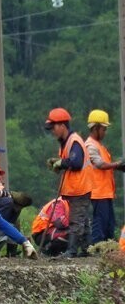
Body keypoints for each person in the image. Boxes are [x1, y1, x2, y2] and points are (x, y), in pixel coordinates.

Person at [45, 108, 93, 258]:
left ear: (62, 126)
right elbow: (69, 162)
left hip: (80, 188)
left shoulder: (74, 141)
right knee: (82, 220)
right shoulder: (65, 142)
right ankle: (86, 250)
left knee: (76, 221)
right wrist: (58, 163)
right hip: (75, 188)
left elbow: (76, 162)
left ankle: (72, 251)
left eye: (53, 127)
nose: (52, 131)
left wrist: (60, 163)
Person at [85, 109, 125, 244]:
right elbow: (100, 164)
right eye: (103, 129)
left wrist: (118, 166)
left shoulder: (98, 145)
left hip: (105, 192)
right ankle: (96, 248)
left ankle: (106, 250)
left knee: (109, 224)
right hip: (98, 192)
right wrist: (118, 164)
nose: (105, 132)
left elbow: (106, 165)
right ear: (95, 128)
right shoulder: (90, 145)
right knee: (100, 223)